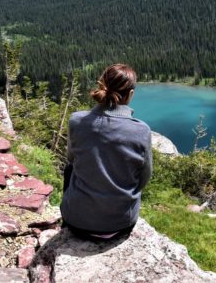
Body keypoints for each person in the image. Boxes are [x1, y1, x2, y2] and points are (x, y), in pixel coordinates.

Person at [60, 63, 152, 241]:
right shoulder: (141, 130)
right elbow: (144, 178)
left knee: (70, 168)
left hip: (75, 222)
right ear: (130, 94)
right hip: (120, 225)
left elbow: (71, 158)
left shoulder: (76, 120)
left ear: (102, 86)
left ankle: (72, 216)